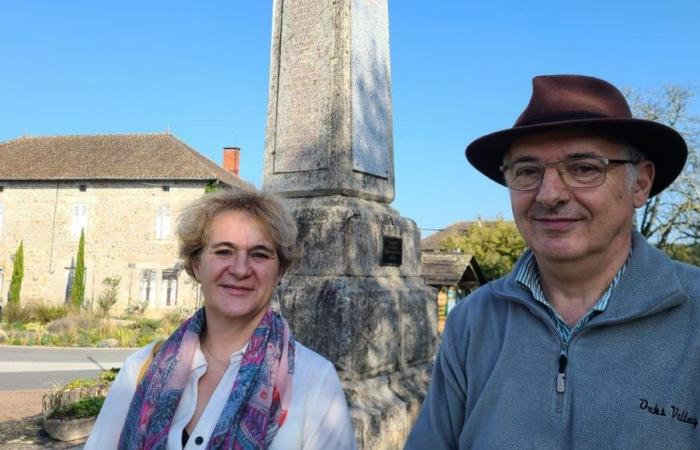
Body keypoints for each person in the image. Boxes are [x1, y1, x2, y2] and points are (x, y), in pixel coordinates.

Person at [406, 75, 700, 449]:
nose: (549, 194)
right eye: (527, 171)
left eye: (584, 168)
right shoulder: (474, 321)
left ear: (640, 184)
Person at [86, 188, 357, 450]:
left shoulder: (315, 381)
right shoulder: (140, 369)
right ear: (196, 265)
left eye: (259, 254)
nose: (240, 269)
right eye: (224, 251)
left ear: (280, 271)